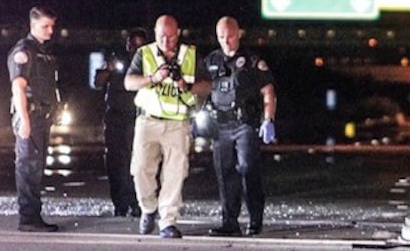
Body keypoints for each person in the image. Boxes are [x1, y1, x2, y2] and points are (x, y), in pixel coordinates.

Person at [123, 14, 206, 238]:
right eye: (161, 36)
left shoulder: (190, 55)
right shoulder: (145, 53)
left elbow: (207, 85)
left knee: (175, 173)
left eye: (170, 37)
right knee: (140, 169)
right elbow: (129, 82)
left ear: (177, 33)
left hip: (177, 124)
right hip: (148, 121)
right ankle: (148, 208)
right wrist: (153, 78)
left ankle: (168, 220)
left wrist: (185, 84)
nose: (166, 41)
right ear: (155, 33)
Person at [200, 16, 278, 236]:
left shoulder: (252, 61)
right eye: (222, 37)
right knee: (225, 174)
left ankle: (255, 219)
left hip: (245, 123)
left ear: (239, 34)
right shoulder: (211, 61)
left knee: (247, 169)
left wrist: (268, 119)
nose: (227, 41)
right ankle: (230, 222)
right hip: (220, 124)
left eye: (231, 36)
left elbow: (268, 91)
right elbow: (200, 90)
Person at [8, 5, 61, 233]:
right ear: (33, 26)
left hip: (42, 115)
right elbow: (18, 87)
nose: (50, 31)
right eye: (45, 26)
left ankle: (33, 215)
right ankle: (28, 218)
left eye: (52, 26)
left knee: (36, 167)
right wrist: (25, 120)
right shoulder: (24, 51)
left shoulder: (44, 52)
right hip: (30, 115)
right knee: (28, 166)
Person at [96, 27, 148, 217]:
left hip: (138, 117)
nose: (134, 49)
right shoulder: (116, 61)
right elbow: (98, 82)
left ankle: (136, 202)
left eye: (139, 46)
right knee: (116, 163)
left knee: (138, 162)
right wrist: (109, 69)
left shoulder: (148, 64)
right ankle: (120, 204)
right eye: (132, 45)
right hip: (116, 117)